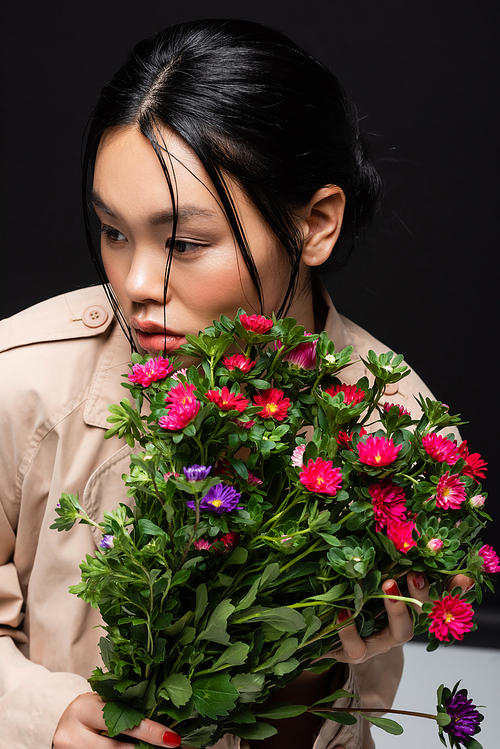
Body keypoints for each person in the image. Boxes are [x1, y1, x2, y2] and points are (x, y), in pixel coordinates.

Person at [0, 18, 472, 749]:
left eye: (183, 243)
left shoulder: (404, 436)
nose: (133, 282)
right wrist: (40, 713)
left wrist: (336, 654)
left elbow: (339, 719)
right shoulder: (25, 372)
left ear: (317, 223)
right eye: (113, 230)